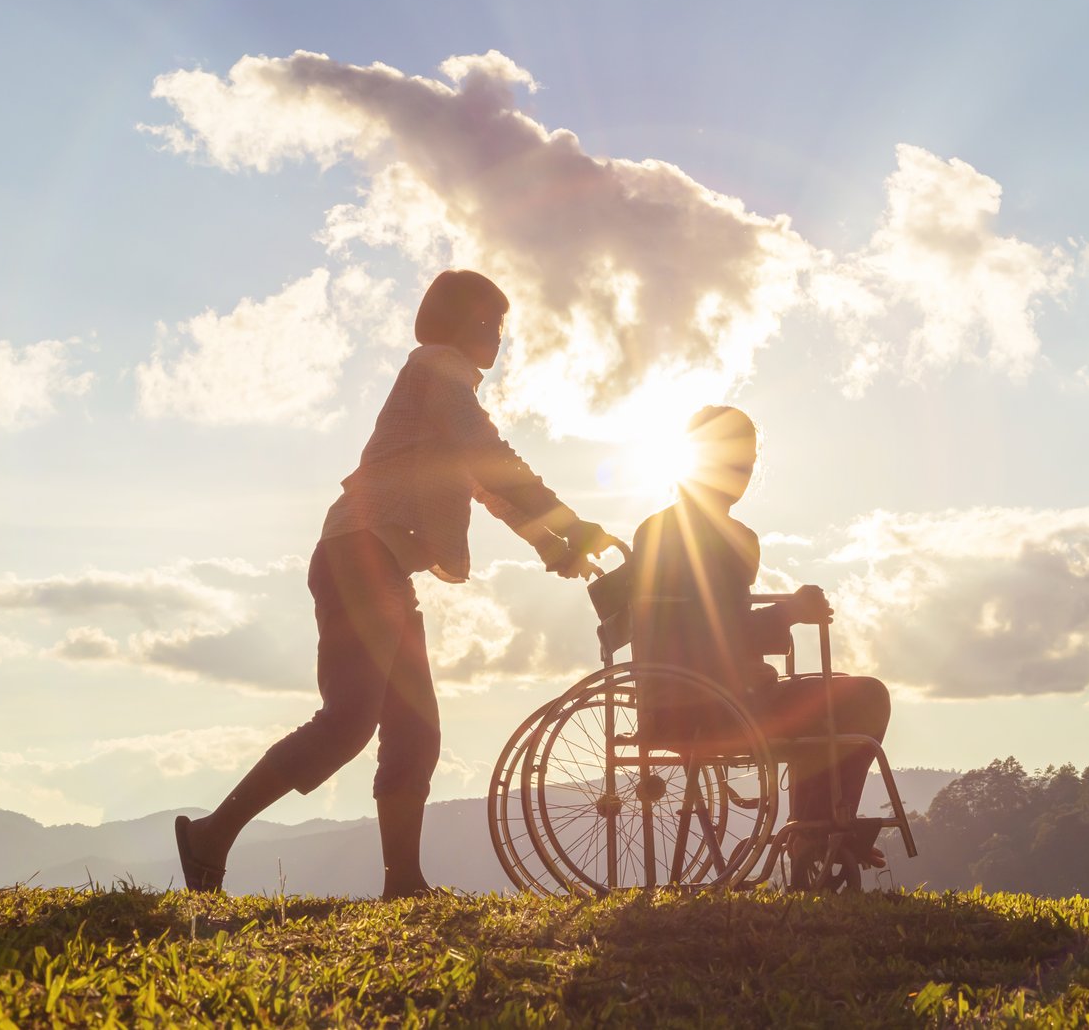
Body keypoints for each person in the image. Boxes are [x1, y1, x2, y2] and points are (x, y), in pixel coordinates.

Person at [175, 270, 615, 897]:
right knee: (348, 724)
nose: (496, 338)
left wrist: (553, 544)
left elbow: (484, 484)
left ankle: (402, 881)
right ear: (463, 326)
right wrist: (572, 525)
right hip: (360, 558)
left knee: (414, 730)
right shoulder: (438, 370)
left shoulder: (442, 382)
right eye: (490, 324)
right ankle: (211, 837)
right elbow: (487, 453)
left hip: (374, 563)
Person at [628, 405, 891, 870]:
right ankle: (821, 830)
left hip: (672, 701)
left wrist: (780, 619)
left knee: (833, 695)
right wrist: (790, 612)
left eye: (747, 466)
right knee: (864, 697)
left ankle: (820, 829)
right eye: (732, 464)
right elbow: (719, 635)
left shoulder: (654, 530)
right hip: (715, 703)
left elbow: (708, 627)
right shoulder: (731, 538)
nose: (741, 476)